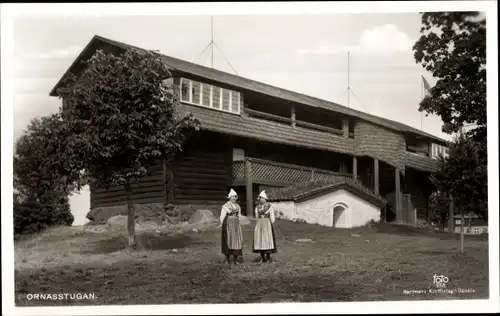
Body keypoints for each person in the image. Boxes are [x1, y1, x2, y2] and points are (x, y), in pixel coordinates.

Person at [219, 188, 244, 266]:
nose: (234, 198)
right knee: (228, 239)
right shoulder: (225, 206)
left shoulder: (237, 206)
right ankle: (227, 259)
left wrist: (240, 222)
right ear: (229, 197)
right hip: (228, 224)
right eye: (232, 197)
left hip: (236, 224)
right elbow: (222, 216)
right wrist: (222, 223)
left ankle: (235, 259)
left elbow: (239, 215)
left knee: (236, 240)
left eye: (235, 197)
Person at [253, 190, 277, 263]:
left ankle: (268, 257)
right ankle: (262, 257)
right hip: (260, 224)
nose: (261, 199)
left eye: (263, 198)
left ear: (265, 199)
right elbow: (257, 216)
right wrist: (259, 223)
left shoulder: (269, 206)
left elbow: (272, 216)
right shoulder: (257, 207)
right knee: (260, 239)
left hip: (267, 224)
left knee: (267, 239)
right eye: (260, 198)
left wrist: (269, 222)